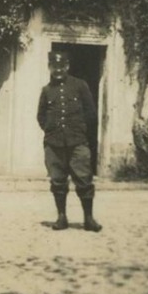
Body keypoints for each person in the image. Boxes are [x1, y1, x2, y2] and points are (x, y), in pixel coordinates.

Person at [37, 49, 102, 232]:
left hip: (77, 143)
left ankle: (89, 219)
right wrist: (52, 131)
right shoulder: (47, 91)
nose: (58, 70)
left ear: (67, 66)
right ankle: (61, 217)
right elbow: (41, 116)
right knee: (57, 181)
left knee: (84, 179)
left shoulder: (80, 85)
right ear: (49, 67)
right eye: (54, 66)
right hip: (54, 144)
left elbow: (91, 114)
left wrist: (81, 135)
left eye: (61, 66)